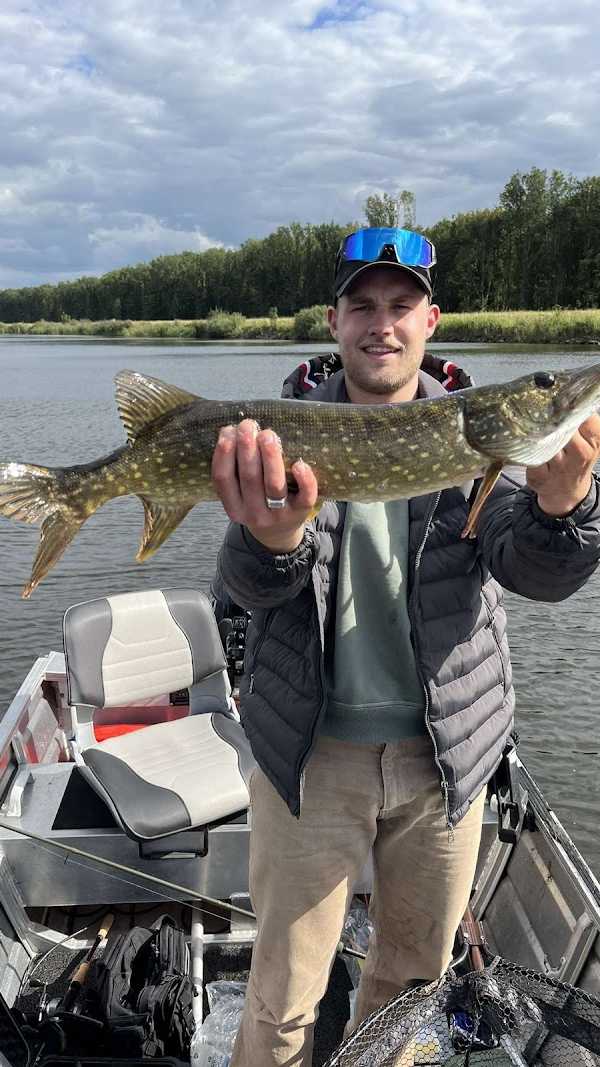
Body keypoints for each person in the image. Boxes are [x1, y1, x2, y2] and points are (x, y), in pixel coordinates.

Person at [211, 226, 600, 1067]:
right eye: (362, 305)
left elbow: (531, 567)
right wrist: (272, 542)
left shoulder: (474, 441)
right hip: (311, 758)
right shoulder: (282, 434)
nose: (381, 323)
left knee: (413, 988)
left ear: (432, 321)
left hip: (443, 761)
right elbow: (241, 590)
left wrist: (566, 510)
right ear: (334, 322)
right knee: (280, 999)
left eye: (400, 306)